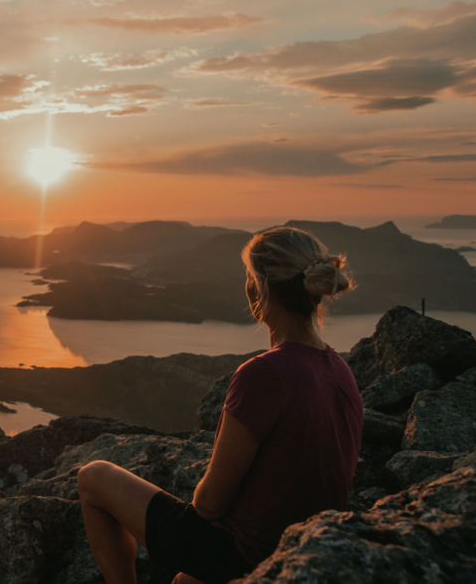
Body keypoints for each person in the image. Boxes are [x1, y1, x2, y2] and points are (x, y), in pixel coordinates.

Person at [77, 226, 363, 584]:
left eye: (250, 277)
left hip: (242, 555)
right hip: (307, 551)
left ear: (258, 288)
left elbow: (209, 504)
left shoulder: (263, 374)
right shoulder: (340, 370)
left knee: (93, 476)